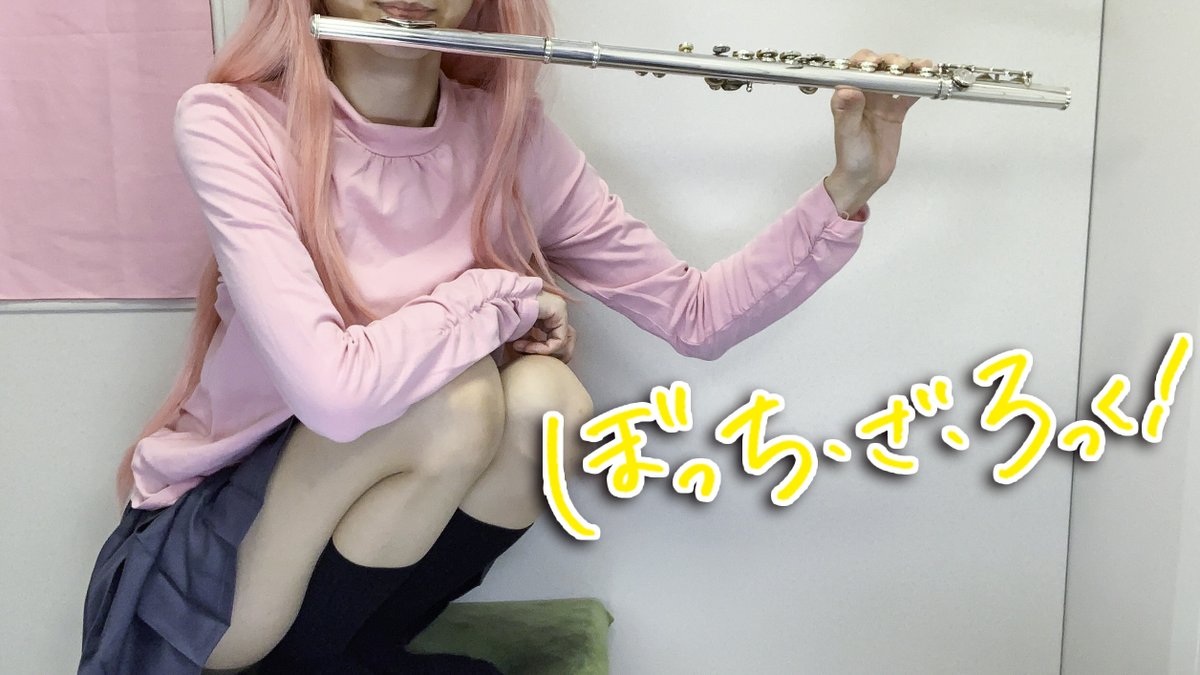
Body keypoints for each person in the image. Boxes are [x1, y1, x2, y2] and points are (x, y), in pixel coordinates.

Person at [78, 0, 930, 673]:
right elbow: (335, 394)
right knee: (454, 404)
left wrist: (847, 186)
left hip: (338, 576)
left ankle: (346, 653)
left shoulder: (508, 135)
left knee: (545, 404)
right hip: (213, 577)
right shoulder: (230, 122)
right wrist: (504, 296)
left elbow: (695, 314)